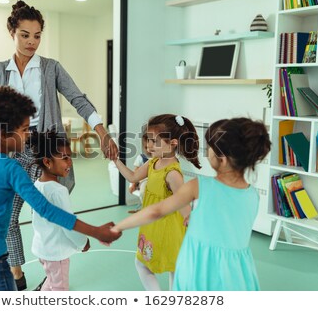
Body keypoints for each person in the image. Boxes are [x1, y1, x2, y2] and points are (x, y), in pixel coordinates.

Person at [0, 0, 118, 290]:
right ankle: (17, 274)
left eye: (37, 35)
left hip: (44, 148)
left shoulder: (51, 68)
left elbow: (78, 98)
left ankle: (51, 263)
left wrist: (102, 132)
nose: (32, 41)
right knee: (10, 216)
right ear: (12, 33)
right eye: (24, 35)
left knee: (50, 206)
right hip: (12, 148)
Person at [0, 86, 120, 291]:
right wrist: (95, 231)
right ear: (4, 134)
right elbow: (47, 209)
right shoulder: (11, 168)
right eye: (24, 130)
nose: (28, 135)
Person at [112, 117, 271, 291]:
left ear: (222, 159)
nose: (206, 151)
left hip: (201, 266)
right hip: (238, 272)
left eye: (209, 147)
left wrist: (117, 227)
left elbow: (157, 211)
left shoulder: (198, 185)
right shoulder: (253, 196)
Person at [113, 114, 201, 290]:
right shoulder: (153, 163)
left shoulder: (172, 173)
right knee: (158, 265)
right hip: (152, 226)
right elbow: (132, 176)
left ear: (173, 143)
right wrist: (115, 160)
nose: (149, 145)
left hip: (168, 229)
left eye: (155, 141)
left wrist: (190, 222)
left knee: (169, 267)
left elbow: (183, 204)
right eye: (148, 140)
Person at [30, 131, 90, 291]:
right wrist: (83, 242)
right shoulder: (58, 191)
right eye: (64, 158)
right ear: (47, 162)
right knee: (60, 289)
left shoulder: (37, 185)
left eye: (69, 157)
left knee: (51, 280)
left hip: (42, 248)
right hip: (56, 253)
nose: (70, 162)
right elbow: (69, 224)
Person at [128, 132, 151, 214]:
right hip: (145, 180)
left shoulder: (160, 157)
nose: (148, 150)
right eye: (146, 147)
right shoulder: (141, 157)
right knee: (143, 192)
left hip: (156, 180)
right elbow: (136, 172)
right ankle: (145, 209)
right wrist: (133, 184)